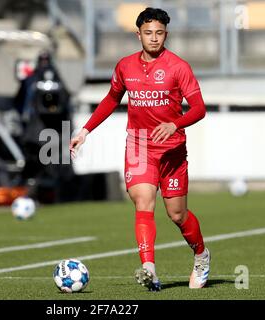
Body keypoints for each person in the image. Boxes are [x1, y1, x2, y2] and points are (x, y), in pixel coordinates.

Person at [70, 7, 210, 291]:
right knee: (143, 202)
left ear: (165, 34)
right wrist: (85, 130)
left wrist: (175, 124)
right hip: (138, 146)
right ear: (138, 35)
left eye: (159, 33)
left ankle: (201, 256)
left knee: (177, 215)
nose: (154, 38)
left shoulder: (178, 67)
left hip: (171, 151)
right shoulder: (125, 66)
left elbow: (199, 109)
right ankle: (149, 269)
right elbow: (111, 99)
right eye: (148, 33)